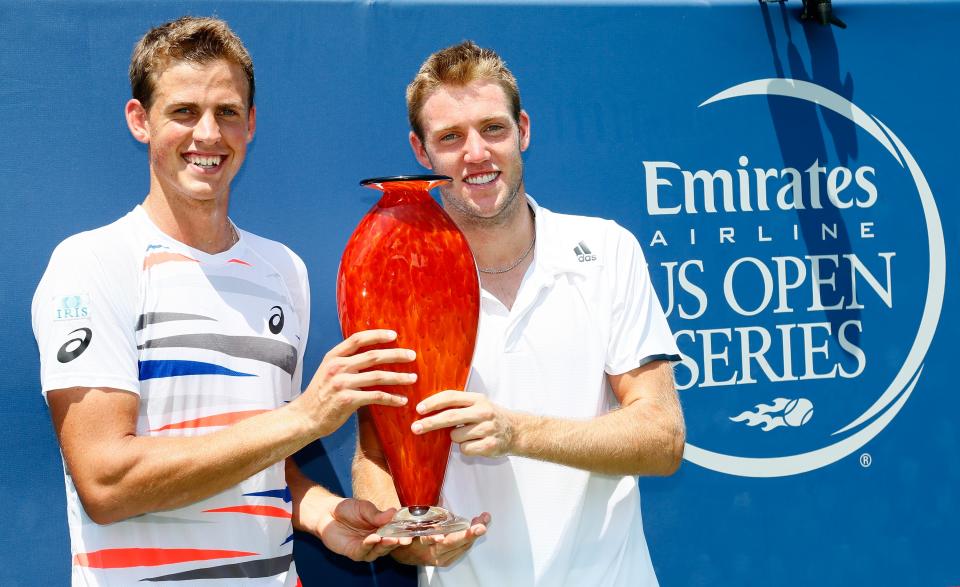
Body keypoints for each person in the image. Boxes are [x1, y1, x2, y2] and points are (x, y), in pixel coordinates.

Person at [31, 16, 415, 585]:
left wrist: (322, 514)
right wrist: (307, 416)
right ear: (140, 120)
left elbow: (264, 455)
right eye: (184, 111)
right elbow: (106, 485)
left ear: (251, 123)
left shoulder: (284, 272)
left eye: (227, 112)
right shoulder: (92, 264)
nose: (208, 134)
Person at [352, 41, 686, 586]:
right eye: (450, 138)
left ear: (523, 130)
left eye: (493, 129)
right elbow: (376, 456)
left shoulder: (607, 249)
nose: (476, 154)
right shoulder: (394, 275)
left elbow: (662, 437)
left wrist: (515, 431)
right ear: (421, 150)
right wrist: (404, 536)